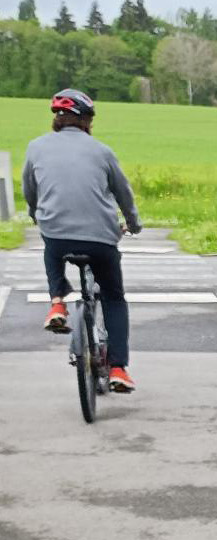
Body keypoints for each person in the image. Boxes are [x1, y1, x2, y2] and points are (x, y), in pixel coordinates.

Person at [21, 88, 141, 394]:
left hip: (57, 236)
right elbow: (123, 193)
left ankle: (57, 303)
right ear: (86, 120)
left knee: (52, 246)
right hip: (101, 240)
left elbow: (30, 190)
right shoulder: (102, 151)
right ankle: (117, 367)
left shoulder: (35, 148)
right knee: (114, 297)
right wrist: (133, 223)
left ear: (57, 120)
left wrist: (37, 215)